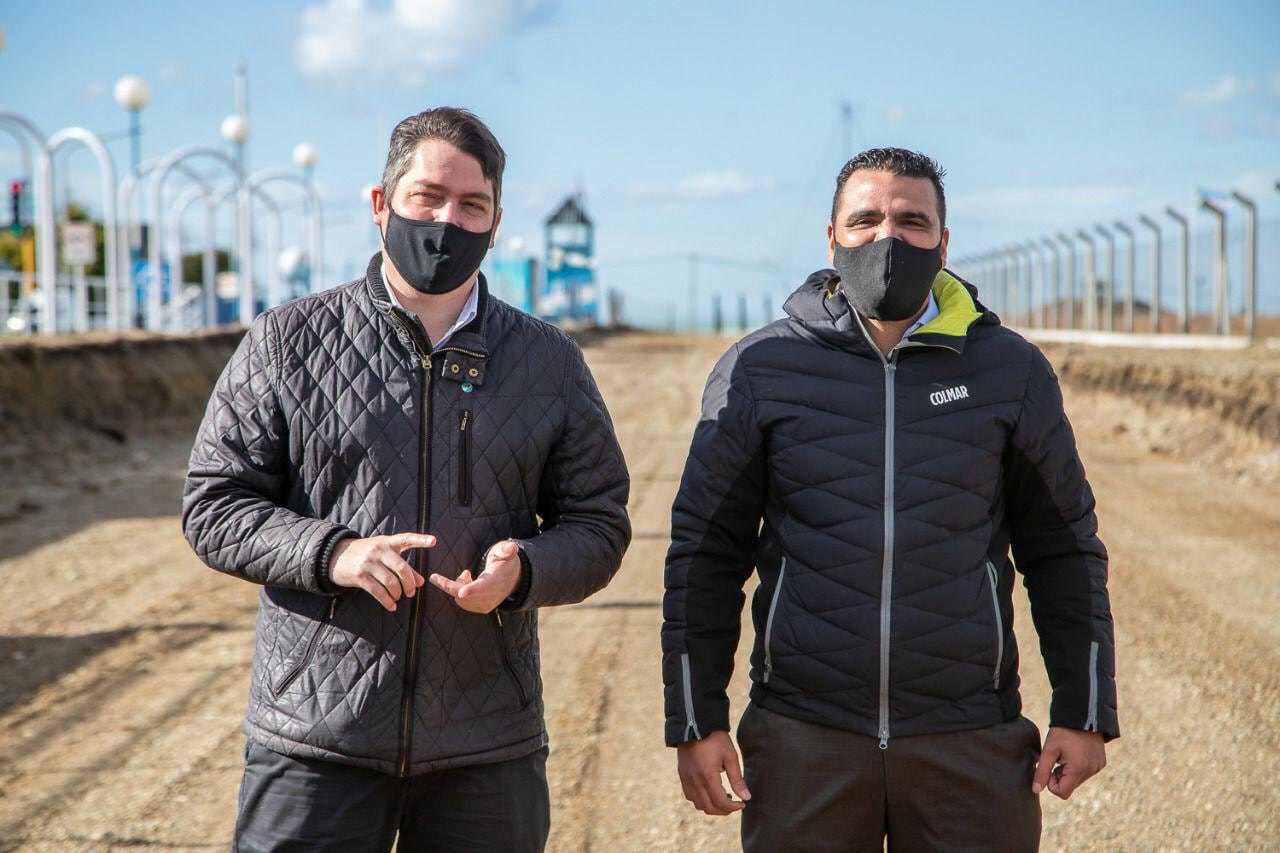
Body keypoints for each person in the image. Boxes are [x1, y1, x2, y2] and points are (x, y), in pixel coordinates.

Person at [183, 107, 630, 852]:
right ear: (381, 203)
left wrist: (526, 570)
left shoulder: (550, 363)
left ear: (494, 224)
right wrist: (334, 553)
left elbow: (600, 521)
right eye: (428, 196)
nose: (446, 220)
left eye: (472, 205)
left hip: (488, 745)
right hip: (314, 738)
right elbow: (214, 503)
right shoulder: (286, 340)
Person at [661, 148, 1116, 851]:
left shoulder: (1008, 369)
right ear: (832, 236)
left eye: (912, 221)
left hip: (969, 738)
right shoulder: (762, 367)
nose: (887, 238)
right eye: (865, 218)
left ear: (943, 242)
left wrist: (1084, 709)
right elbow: (706, 550)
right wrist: (697, 719)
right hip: (804, 736)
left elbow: (1063, 547)